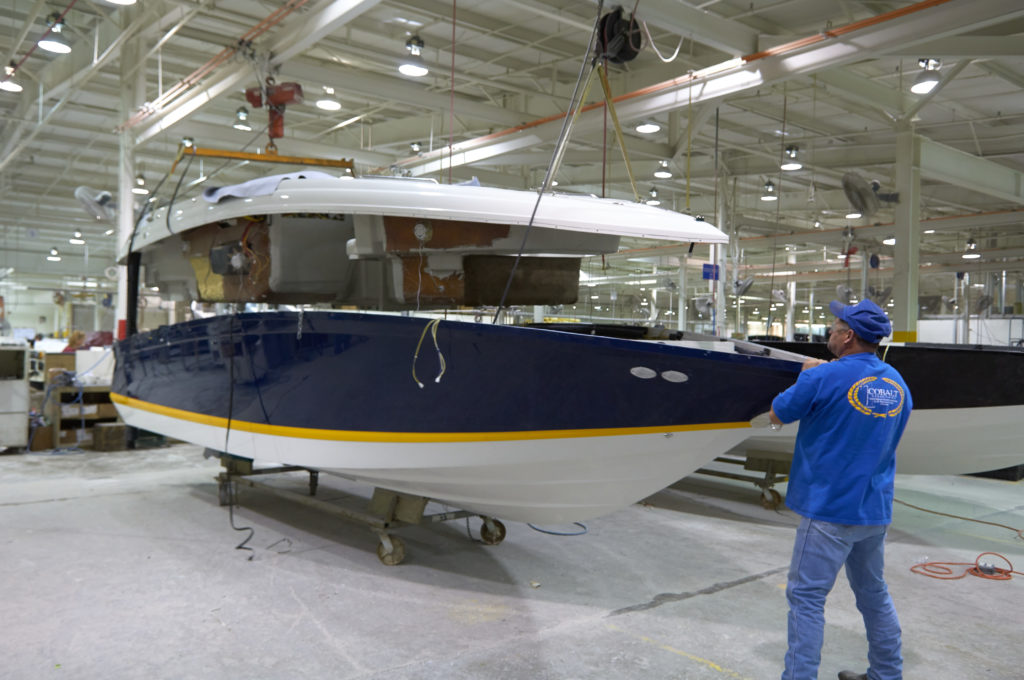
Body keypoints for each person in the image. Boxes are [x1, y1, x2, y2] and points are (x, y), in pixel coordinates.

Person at [769, 299, 912, 680]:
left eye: (833, 327)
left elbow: (777, 414)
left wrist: (805, 375)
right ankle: (886, 674)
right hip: (873, 510)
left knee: (806, 599)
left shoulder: (821, 377)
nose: (828, 332)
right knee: (873, 595)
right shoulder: (897, 384)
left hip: (828, 510)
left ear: (848, 336)